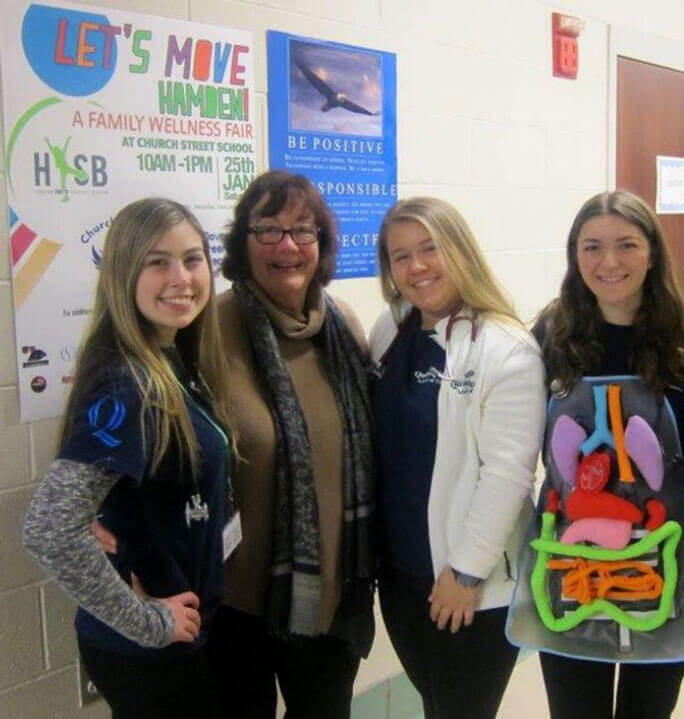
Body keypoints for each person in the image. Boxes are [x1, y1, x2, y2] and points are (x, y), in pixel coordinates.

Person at [23, 197, 235, 718]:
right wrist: (147, 620)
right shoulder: (129, 381)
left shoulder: (171, 359)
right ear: (122, 273)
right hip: (147, 652)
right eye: (156, 262)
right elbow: (49, 529)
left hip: (177, 639)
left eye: (192, 258)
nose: (181, 277)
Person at [532, 190, 684, 719]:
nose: (609, 262)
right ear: (574, 255)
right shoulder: (549, 335)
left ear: (653, 253)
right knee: (574, 706)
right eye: (592, 247)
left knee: (648, 709)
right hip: (569, 553)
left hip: (663, 553)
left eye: (627, 245)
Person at [205, 171, 375, 718]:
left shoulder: (343, 327)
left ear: (321, 243)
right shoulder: (208, 328)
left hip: (333, 598)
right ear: (242, 242)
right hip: (237, 605)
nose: (287, 246)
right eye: (268, 230)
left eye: (303, 231)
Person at [368, 196, 546, 719]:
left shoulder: (506, 348)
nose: (416, 266)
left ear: (460, 251)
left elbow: (507, 474)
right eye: (400, 256)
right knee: (436, 703)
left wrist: (466, 572)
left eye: (430, 248)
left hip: (469, 584)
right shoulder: (392, 329)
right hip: (401, 575)